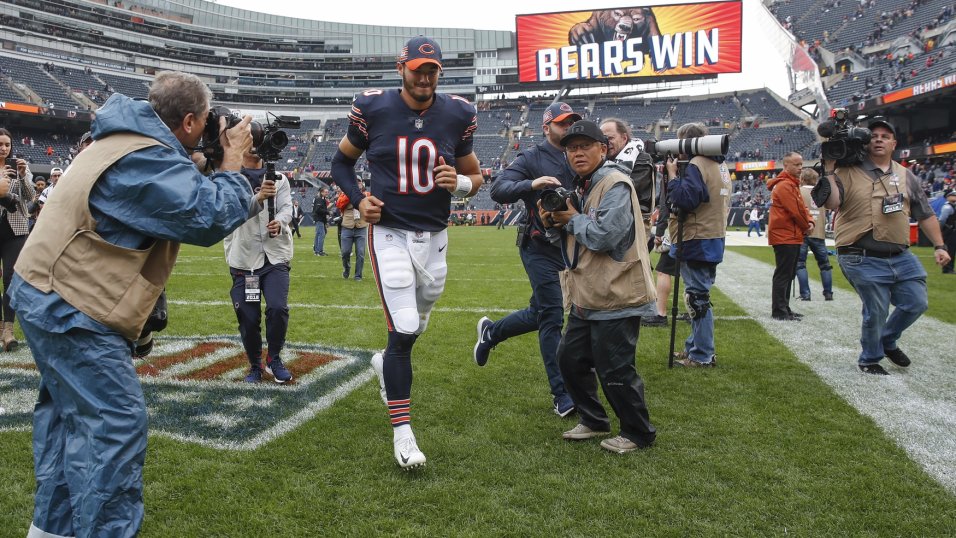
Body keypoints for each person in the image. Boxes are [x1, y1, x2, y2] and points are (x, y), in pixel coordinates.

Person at [10, 71, 273, 536]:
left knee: (68, 422)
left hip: (46, 293)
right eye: (207, 121)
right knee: (114, 426)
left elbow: (175, 191)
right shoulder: (142, 157)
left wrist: (208, 162)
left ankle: (50, 530)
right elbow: (205, 217)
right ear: (190, 120)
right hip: (72, 306)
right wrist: (232, 162)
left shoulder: (124, 139)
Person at [331, 36, 482, 469]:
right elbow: (341, 164)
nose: (425, 76)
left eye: (432, 69)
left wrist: (462, 184)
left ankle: (384, 362)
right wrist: (359, 199)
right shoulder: (373, 108)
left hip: (435, 235)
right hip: (389, 231)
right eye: (418, 68)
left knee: (415, 326)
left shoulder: (458, 113)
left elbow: (475, 176)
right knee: (405, 324)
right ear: (402, 69)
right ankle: (403, 434)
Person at [540, 119, 657, 453]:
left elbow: (605, 236)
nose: (577, 153)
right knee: (569, 359)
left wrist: (571, 219)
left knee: (615, 369)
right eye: (571, 148)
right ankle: (593, 420)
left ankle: (638, 432)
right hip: (589, 294)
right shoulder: (582, 186)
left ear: (603, 149)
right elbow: (572, 237)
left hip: (617, 294)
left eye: (585, 147)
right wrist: (553, 222)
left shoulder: (615, 183)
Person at [474, 101, 580, 417]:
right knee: (551, 316)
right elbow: (499, 189)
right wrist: (532, 184)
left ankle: (491, 333)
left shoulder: (580, 153)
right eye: (562, 124)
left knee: (539, 312)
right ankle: (561, 394)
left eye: (572, 123)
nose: (568, 129)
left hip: (573, 246)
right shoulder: (532, 158)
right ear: (546, 127)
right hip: (540, 248)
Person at [820, 117, 951, 375]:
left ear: (894, 144)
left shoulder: (906, 175)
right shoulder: (846, 171)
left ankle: (887, 340)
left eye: (885, 135)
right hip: (859, 254)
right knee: (876, 309)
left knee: (916, 302)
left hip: (901, 254)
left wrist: (939, 245)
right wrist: (829, 170)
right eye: (874, 135)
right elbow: (832, 204)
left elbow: (924, 214)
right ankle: (870, 358)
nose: (879, 138)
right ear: (867, 142)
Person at [225, 146, 294, 384]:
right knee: (248, 316)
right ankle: (255, 365)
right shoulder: (231, 179)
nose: (255, 145)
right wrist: (259, 198)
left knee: (277, 308)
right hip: (245, 261)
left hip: (274, 257)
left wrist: (281, 221)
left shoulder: (280, 179)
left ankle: (274, 359)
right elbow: (231, 213)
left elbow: (287, 208)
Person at [664, 122, 731, 367]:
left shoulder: (697, 164)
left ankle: (702, 354)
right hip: (713, 236)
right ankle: (695, 346)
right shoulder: (719, 163)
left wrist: (672, 177)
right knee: (698, 295)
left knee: (697, 298)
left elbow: (686, 199)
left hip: (696, 236)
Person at [0, 127, 36, 352]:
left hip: (16, 229)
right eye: (0, 145)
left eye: (7, 145)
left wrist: (22, 176)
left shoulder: (20, 168)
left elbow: (31, 197)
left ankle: (8, 331)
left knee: (11, 280)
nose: (3, 149)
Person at [767, 152, 814, 321]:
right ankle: (779, 310)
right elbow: (796, 211)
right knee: (784, 274)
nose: (800, 168)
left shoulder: (791, 184)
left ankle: (784, 308)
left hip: (790, 235)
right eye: (796, 165)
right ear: (786, 165)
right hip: (785, 234)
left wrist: (810, 222)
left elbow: (802, 209)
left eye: (801, 164)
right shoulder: (785, 185)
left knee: (788, 273)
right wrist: (807, 225)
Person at [796, 168, 834, 299]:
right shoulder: (822, 192)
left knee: (800, 264)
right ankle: (828, 293)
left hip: (802, 232)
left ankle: (805, 294)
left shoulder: (798, 191)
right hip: (819, 232)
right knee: (825, 265)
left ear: (802, 178)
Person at [336, 179, 369, 280]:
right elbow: (339, 204)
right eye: (356, 182)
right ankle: (347, 268)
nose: (357, 184)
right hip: (347, 226)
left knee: (360, 253)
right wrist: (352, 194)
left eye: (359, 182)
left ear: (362, 184)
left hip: (361, 226)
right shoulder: (344, 195)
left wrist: (360, 196)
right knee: (345, 252)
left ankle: (358, 275)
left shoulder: (366, 195)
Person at [938, 189, 956, 274]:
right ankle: (947, 269)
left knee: (952, 250)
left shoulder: (952, 206)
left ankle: (950, 268)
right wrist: (940, 230)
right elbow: (942, 220)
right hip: (948, 231)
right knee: (949, 250)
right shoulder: (947, 207)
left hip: (952, 231)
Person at [312, 187, 329, 255]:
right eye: (325, 192)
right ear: (321, 192)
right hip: (319, 219)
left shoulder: (321, 199)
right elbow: (318, 210)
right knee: (321, 234)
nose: (327, 193)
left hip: (320, 219)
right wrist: (327, 212)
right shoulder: (319, 199)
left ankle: (316, 250)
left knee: (318, 234)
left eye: (327, 192)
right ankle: (319, 251)